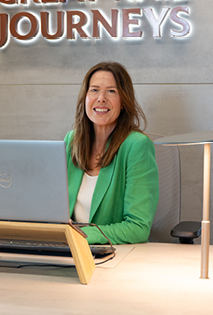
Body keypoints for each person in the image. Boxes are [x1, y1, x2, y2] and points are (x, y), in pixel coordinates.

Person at [64, 61, 159, 245]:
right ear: (85, 98)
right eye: (94, 90)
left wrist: (80, 236)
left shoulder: (137, 146)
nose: (101, 98)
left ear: (123, 101)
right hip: (69, 250)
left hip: (114, 253)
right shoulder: (72, 141)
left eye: (111, 91)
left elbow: (138, 227)